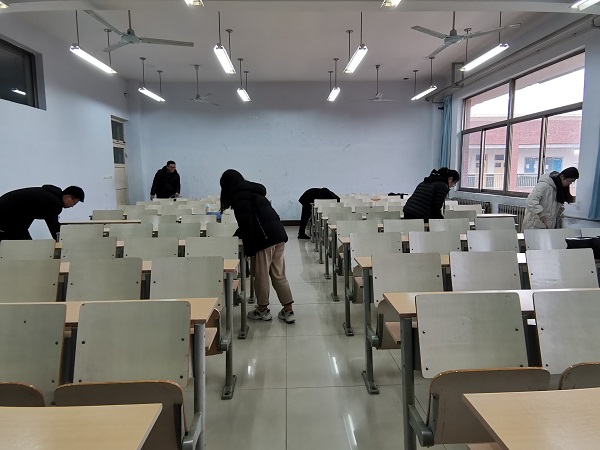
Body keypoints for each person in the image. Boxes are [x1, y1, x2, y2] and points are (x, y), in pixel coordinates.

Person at [220, 169, 295, 323]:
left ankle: (262, 310)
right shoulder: (253, 190)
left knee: (261, 275)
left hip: (264, 238)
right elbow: (250, 219)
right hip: (277, 234)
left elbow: (247, 223)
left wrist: (247, 246)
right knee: (279, 274)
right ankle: (288, 311)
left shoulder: (239, 195)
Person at [0, 185, 85, 241]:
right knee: (26, 248)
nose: (72, 206)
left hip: (9, 217)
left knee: (24, 245)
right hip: (6, 216)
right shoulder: (54, 203)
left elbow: (27, 212)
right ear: (69, 197)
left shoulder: (47, 196)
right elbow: (54, 228)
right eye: (74, 203)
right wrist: (66, 243)